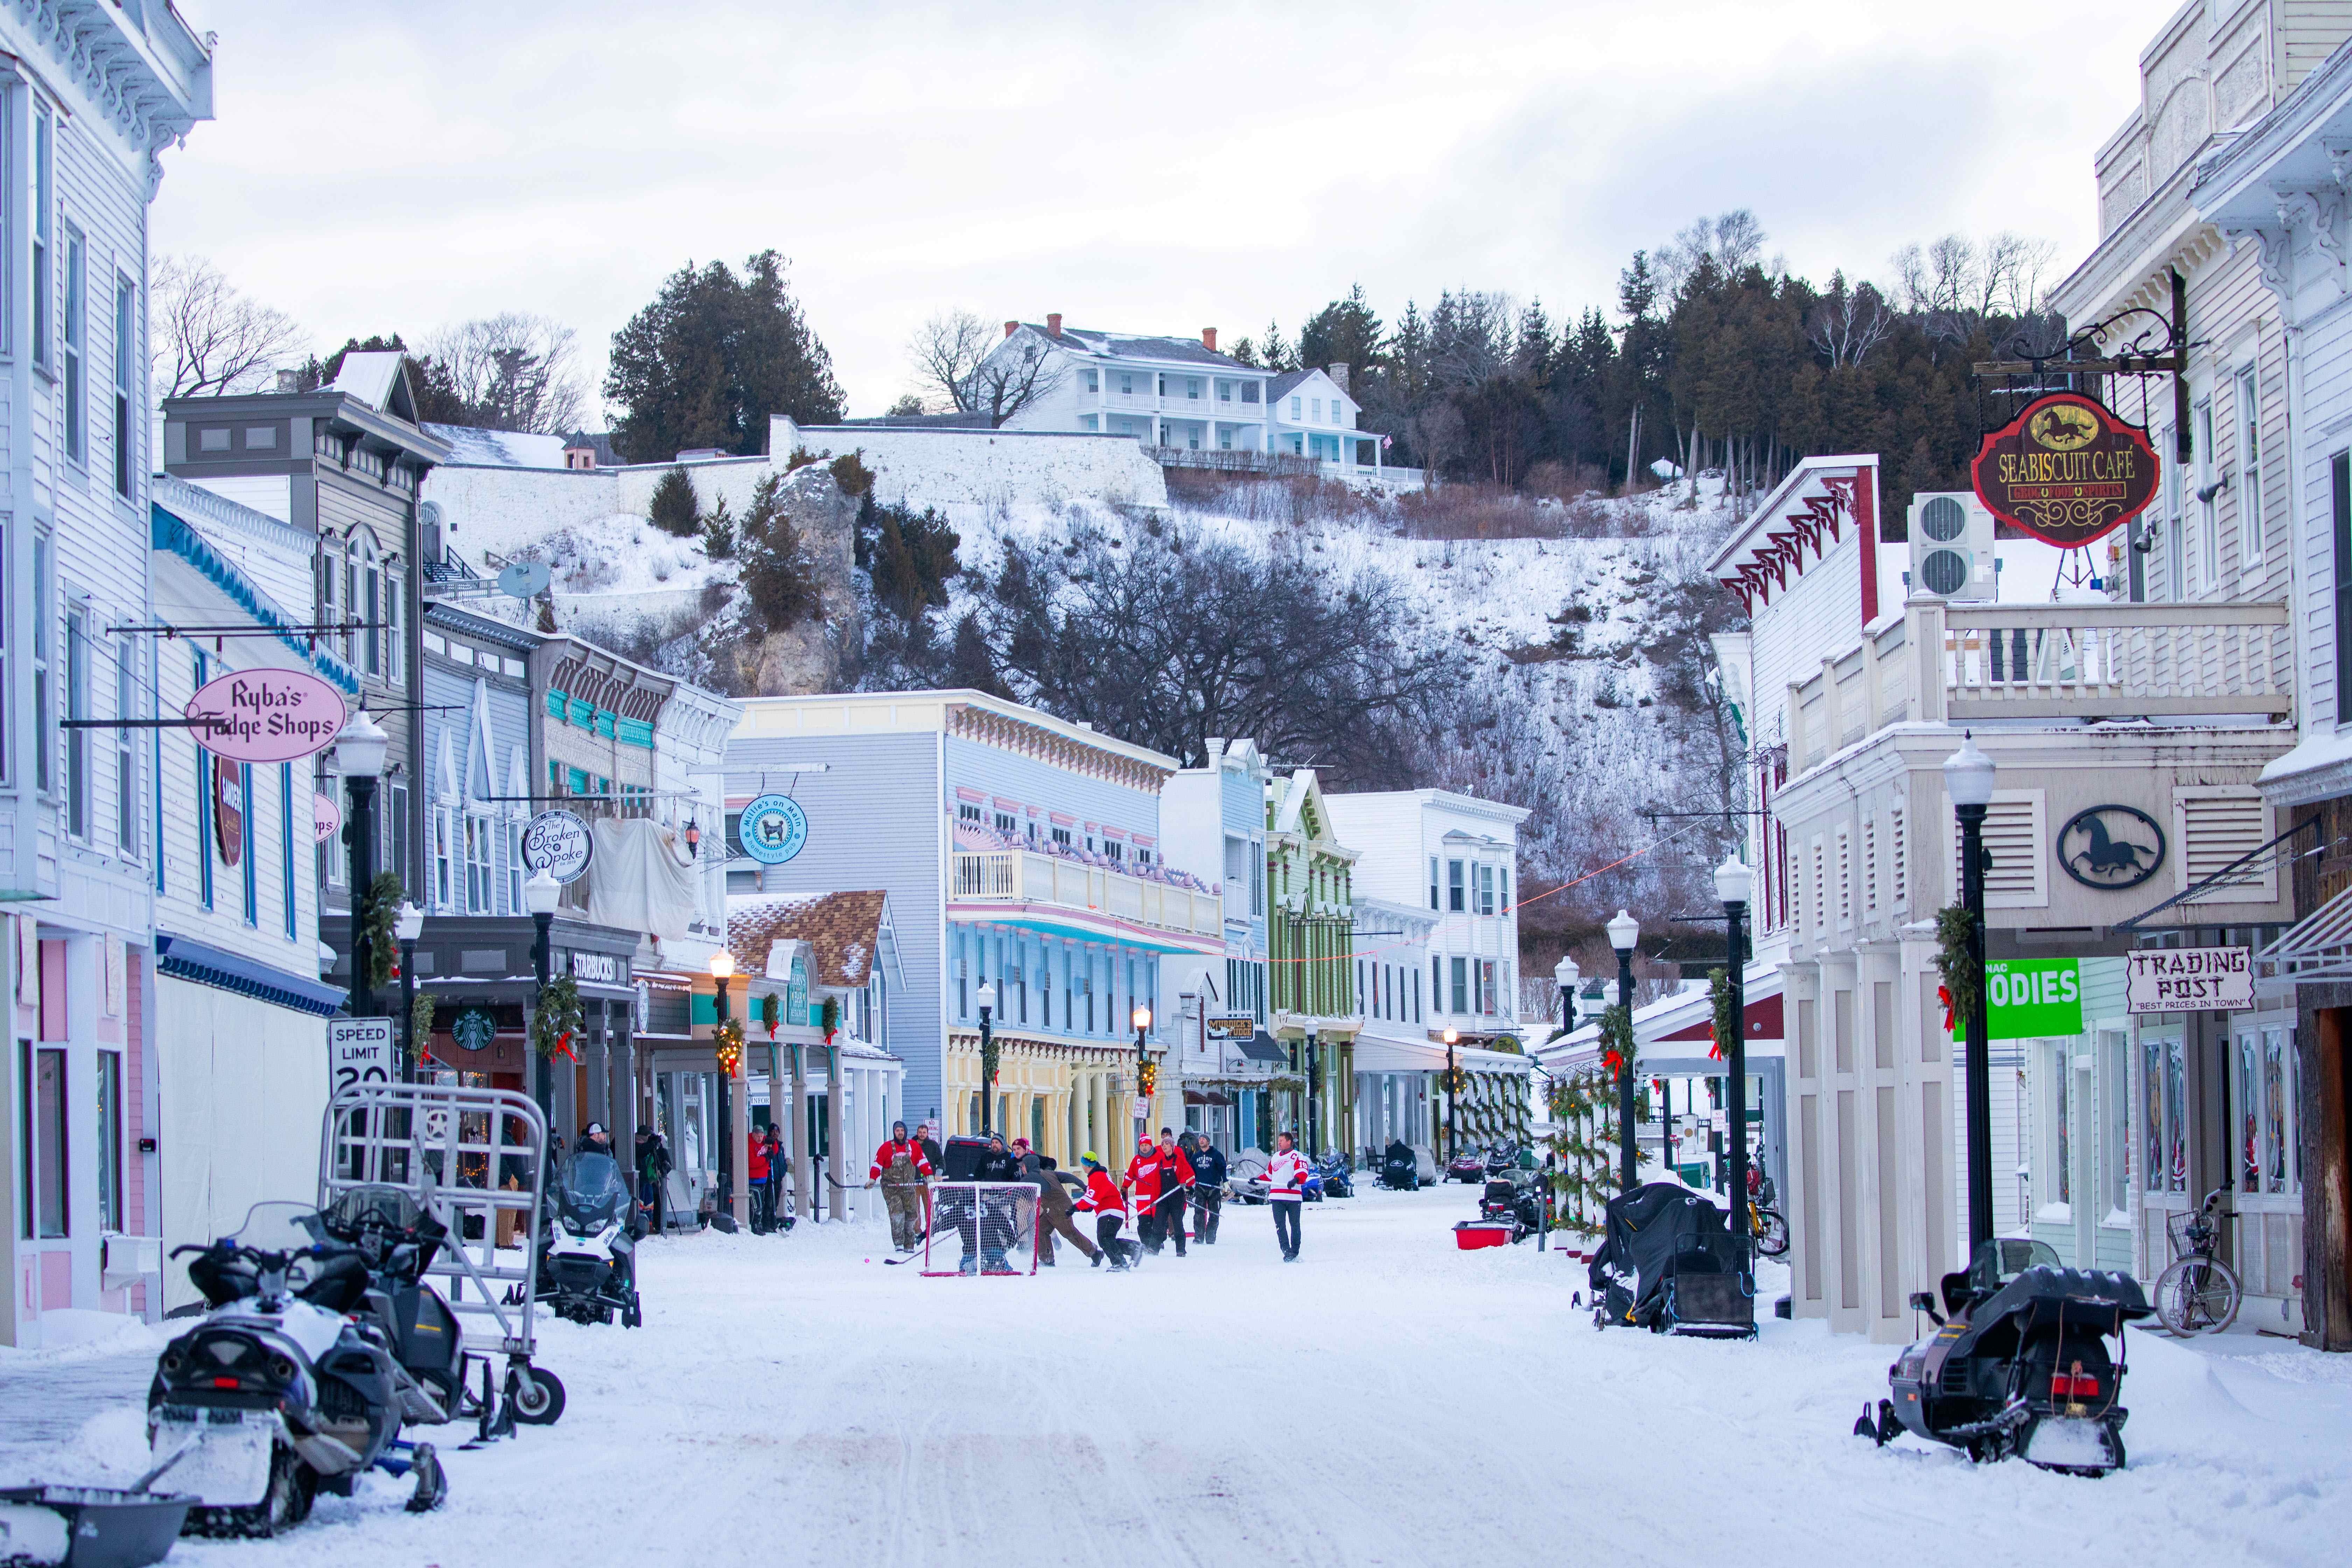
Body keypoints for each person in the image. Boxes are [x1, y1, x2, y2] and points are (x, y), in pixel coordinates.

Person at [867, 1120, 934, 1253]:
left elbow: (923, 1162)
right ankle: (898, 1243)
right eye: (897, 1131)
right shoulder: (885, 1148)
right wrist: (872, 1179)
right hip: (891, 1187)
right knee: (897, 1212)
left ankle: (909, 1245)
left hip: (908, 1187)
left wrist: (930, 1176)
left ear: (906, 1132)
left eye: (902, 1131)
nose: (900, 1133)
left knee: (911, 1213)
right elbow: (877, 1165)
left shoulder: (914, 1147)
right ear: (894, 1132)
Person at [1022, 1149, 1097, 1267]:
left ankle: (1094, 1252)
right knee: (1041, 1228)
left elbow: (1019, 1191)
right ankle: (1047, 1259)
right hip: (1053, 1208)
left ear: (1030, 1166)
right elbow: (1069, 1177)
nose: (1022, 1169)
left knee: (1069, 1233)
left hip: (1059, 1208)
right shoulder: (1048, 1173)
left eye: (1023, 1166)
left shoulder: (1032, 1177)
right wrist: (1083, 1186)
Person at [1073, 1152, 1133, 1269]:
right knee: (1109, 1239)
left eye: (1083, 1164)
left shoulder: (1097, 1176)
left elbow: (1091, 1197)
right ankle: (1132, 1251)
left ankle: (1120, 1263)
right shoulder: (1100, 1174)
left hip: (1110, 1212)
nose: (1082, 1167)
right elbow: (1098, 1196)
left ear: (1087, 1165)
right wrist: (1089, 1207)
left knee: (1105, 1239)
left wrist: (1075, 1207)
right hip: (1114, 1211)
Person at [1148, 1129, 1194, 1256]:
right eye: (1163, 1145)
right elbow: (1156, 1183)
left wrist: (1184, 1183)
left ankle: (1181, 1250)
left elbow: (1191, 1176)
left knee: (1178, 1224)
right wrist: (1154, 1200)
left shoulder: (1179, 1160)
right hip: (1163, 1198)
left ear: (1172, 1147)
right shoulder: (1161, 1162)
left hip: (1176, 1198)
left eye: (1167, 1145)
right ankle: (1153, 1248)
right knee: (1158, 1224)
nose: (1164, 1147)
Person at [1267, 1130, 1309, 1261]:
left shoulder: (1297, 1156)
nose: (1279, 1143)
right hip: (1277, 1197)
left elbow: (1303, 1172)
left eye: (1281, 1141)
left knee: (1294, 1224)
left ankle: (1295, 1251)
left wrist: (1296, 1180)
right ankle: (1287, 1251)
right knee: (1280, 1225)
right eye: (1278, 1141)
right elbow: (1269, 1175)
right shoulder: (1275, 1157)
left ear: (1289, 1142)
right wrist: (1255, 1180)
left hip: (1293, 1198)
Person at [1124, 1136, 1168, 1253]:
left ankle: (1158, 1242)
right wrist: (1124, 1188)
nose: (1144, 1148)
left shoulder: (1160, 1157)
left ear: (1151, 1146)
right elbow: (1130, 1176)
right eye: (1142, 1146)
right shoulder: (1136, 1160)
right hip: (1142, 1198)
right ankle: (1147, 1243)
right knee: (1144, 1223)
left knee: (1158, 1223)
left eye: (1146, 1145)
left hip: (1157, 1197)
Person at [1188, 1132, 1228, 1244]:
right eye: (1200, 1139)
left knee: (1214, 1213)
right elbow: (1191, 1172)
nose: (1201, 1141)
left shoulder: (1216, 1155)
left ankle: (1211, 1238)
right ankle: (1199, 1237)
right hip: (1200, 1188)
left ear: (1208, 1142)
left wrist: (1225, 1182)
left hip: (1214, 1188)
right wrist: (1190, 1185)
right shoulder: (1196, 1157)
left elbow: (1223, 1168)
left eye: (1204, 1139)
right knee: (1198, 1213)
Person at [634, 1124, 672, 1236]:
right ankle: (641, 1224)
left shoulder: (650, 1146)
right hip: (640, 1179)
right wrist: (651, 1145)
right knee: (641, 1202)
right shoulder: (636, 1145)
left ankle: (649, 1224)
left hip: (648, 1179)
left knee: (650, 1202)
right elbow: (641, 1152)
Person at [746, 1128, 772, 1234]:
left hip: (763, 1181)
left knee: (764, 1204)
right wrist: (765, 1158)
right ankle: (755, 1226)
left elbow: (774, 1149)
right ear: (753, 1135)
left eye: (761, 1136)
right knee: (757, 1207)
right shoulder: (750, 1145)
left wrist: (772, 1142)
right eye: (757, 1136)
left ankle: (760, 1225)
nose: (760, 1139)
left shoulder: (764, 1143)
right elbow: (752, 1163)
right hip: (753, 1181)